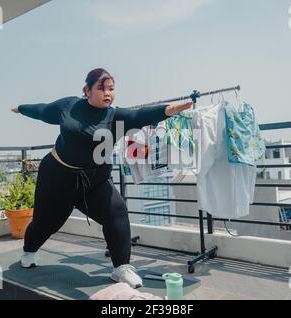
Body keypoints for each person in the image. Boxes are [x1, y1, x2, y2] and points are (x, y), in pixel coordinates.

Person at [11, 68, 193, 288]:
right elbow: (44, 110)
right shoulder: (69, 106)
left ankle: (121, 268)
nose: (108, 93)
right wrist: (22, 108)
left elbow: (140, 115)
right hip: (57, 178)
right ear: (87, 90)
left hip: (94, 180)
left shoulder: (115, 117)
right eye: (102, 88)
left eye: (111, 89)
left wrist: (168, 110)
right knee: (45, 224)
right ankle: (29, 251)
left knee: (117, 211)